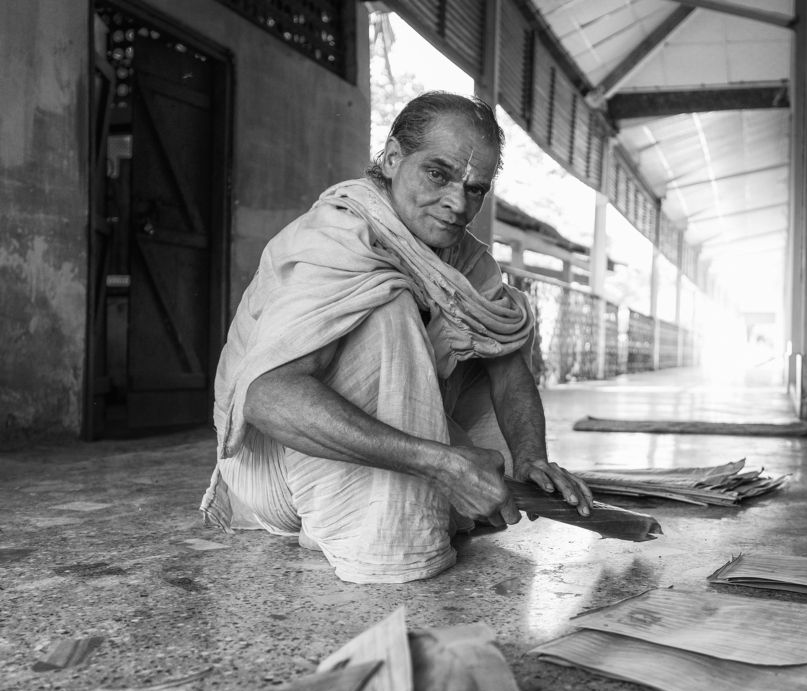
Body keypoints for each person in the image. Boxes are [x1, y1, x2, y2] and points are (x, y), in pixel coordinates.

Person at [201, 92, 593, 583]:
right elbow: (266, 399)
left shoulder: (466, 259)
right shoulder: (336, 236)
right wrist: (439, 464)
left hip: (384, 456)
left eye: (475, 189)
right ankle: (373, 526)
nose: (458, 203)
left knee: (490, 325)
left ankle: (419, 496)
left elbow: (508, 369)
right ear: (391, 159)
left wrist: (532, 457)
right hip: (275, 475)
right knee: (390, 307)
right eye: (438, 174)